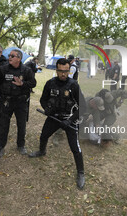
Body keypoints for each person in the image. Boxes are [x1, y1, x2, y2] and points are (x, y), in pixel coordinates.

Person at [28, 58, 87, 189]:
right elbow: (43, 99)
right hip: (54, 117)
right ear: (56, 70)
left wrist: (70, 120)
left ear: (69, 71)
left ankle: (81, 173)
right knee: (43, 136)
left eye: (66, 71)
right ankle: (42, 151)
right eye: (60, 71)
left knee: (75, 148)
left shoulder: (74, 85)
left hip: (69, 119)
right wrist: (47, 109)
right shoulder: (50, 83)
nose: (63, 74)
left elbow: (83, 106)